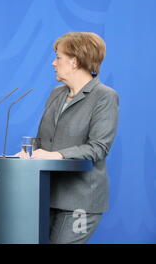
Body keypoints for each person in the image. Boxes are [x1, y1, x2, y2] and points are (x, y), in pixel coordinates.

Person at [19, 32, 119, 244]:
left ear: (74, 61)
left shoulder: (105, 96)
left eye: (58, 57)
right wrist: (26, 154)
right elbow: (43, 140)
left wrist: (57, 154)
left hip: (79, 200)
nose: (53, 63)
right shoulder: (57, 93)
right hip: (46, 195)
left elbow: (99, 147)